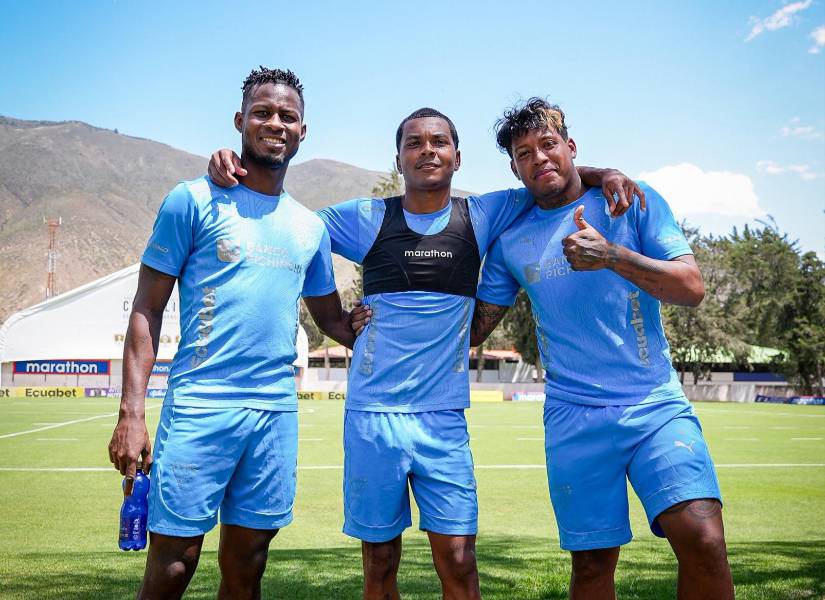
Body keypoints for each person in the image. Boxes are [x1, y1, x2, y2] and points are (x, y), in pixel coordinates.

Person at [208, 108, 639, 600]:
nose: (427, 150)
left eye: (439, 142)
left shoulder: (482, 214)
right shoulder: (367, 218)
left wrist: (605, 174)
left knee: (458, 563)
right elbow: (293, 227)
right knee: (379, 566)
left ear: (457, 158)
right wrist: (334, 319)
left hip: (443, 420)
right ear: (398, 159)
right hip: (372, 417)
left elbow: (549, 177)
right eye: (414, 143)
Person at [469, 98, 734, 600]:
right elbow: (477, 329)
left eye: (548, 144)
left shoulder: (631, 199)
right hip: (573, 418)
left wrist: (612, 255)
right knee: (591, 568)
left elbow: (691, 287)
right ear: (514, 167)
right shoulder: (511, 238)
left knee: (703, 539)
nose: (539, 158)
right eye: (524, 153)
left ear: (570, 148)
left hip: (654, 404)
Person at [108, 67, 356, 600]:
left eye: (287, 116)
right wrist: (131, 415)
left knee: (248, 565)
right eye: (263, 113)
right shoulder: (191, 200)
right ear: (240, 121)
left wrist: (406, 323)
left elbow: (335, 321)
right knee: (174, 563)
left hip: (273, 415)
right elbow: (145, 311)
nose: (275, 123)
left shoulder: (309, 228)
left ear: (303, 130)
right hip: (200, 405)